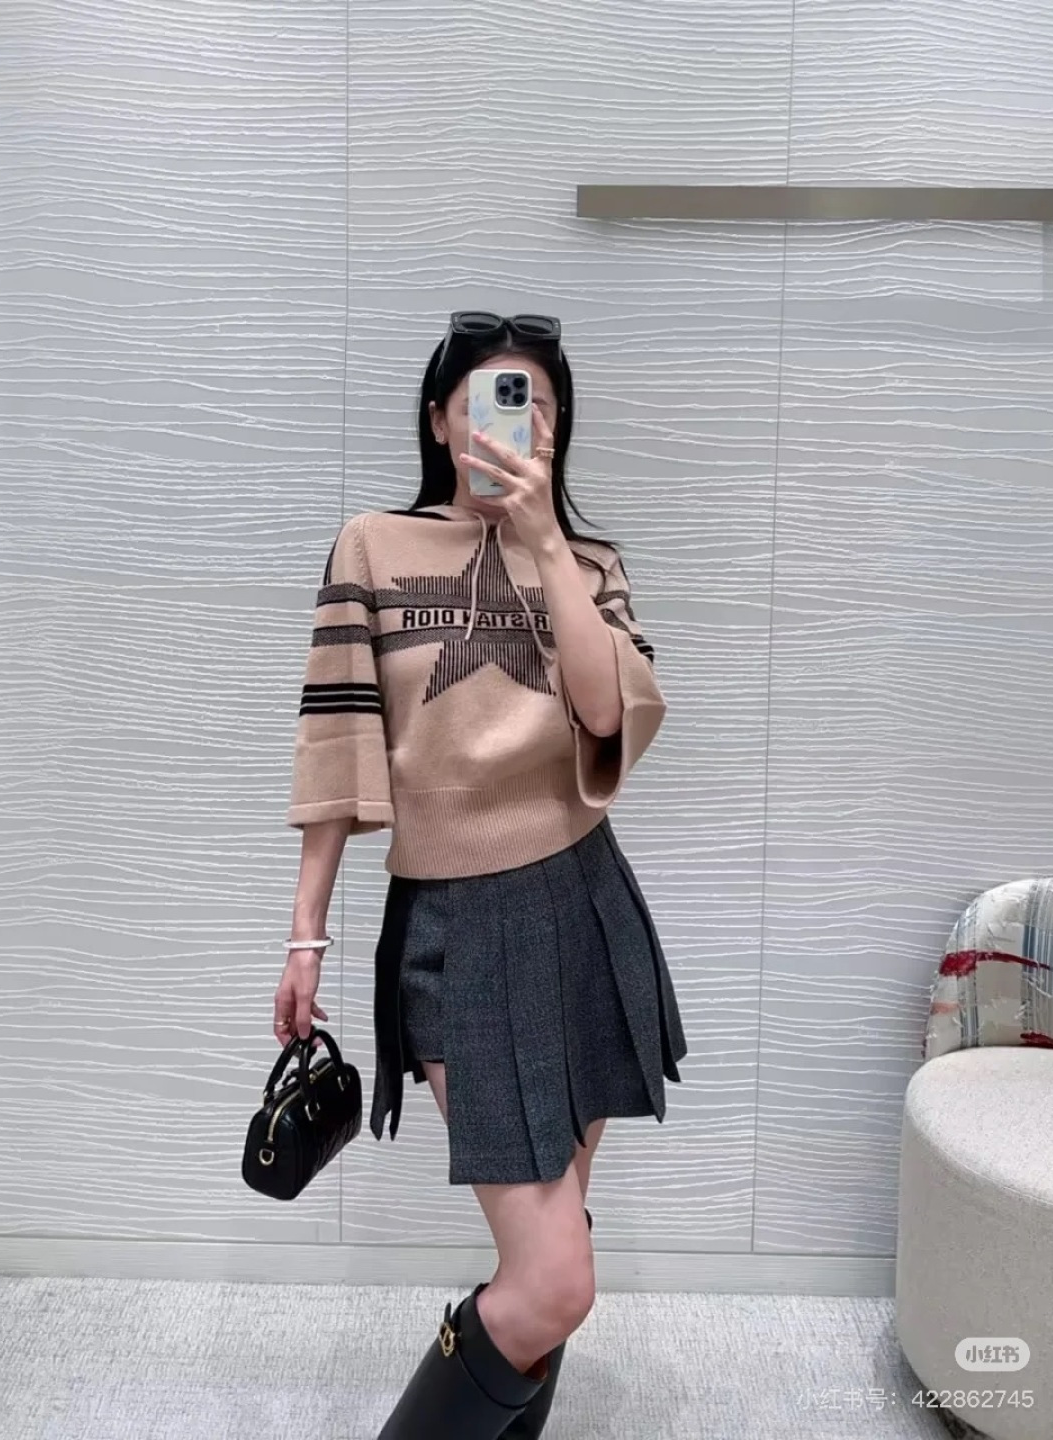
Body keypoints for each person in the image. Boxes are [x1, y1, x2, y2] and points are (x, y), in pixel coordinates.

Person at [273, 311, 687, 1439]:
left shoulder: (590, 566)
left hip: (585, 906)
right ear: (438, 421)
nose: (516, 424)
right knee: (551, 1281)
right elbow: (337, 744)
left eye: (537, 407)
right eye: (492, 403)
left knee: (557, 1260)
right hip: (455, 926)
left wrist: (545, 543)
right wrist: (306, 933)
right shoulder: (373, 549)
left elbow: (609, 716)